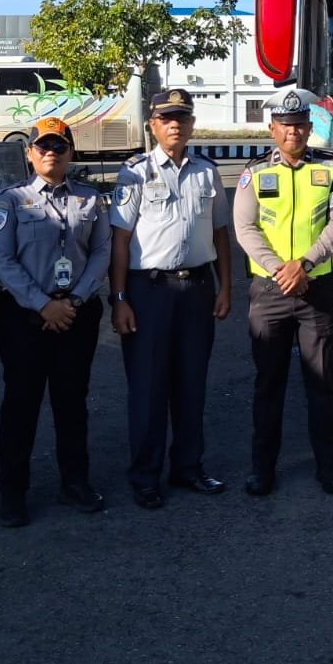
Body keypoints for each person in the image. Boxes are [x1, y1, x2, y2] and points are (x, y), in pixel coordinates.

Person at [109, 90, 234, 509]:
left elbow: (220, 233)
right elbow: (121, 241)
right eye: (166, 118)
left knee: (191, 384)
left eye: (181, 117)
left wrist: (226, 287)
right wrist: (120, 297)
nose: (174, 124)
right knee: (148, 387)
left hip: (197, 289)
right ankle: (145, 475)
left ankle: (188, 467)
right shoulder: (135, 173)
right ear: (153, 124)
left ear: (192, 124)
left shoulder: (207, 173)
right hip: (150, 292)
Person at [0, 116, 111, 528]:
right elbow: (1, 261)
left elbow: (100, 253)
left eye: (59, 146)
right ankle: (12, 493)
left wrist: (73, 300)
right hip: (26, 317)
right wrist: (43, 305)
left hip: (76, 313)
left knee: (72, 403)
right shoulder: (10, 201)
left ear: (71, 152)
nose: (51, 153)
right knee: (20, 405)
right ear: (29, 153)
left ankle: (74, 481)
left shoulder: (90, 200)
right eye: (43, 146)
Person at [233, 87, 333, 495]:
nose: (293, 133)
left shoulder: (331, 170)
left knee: (321, 382)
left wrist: (302, 265)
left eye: (300, 125)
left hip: (315, 288)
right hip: (269, 292)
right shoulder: (255, 173)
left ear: (309, 127)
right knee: (269, 383)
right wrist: (278, 269)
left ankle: (329, 468)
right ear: (272, 129)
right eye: (285, 126)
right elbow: (245, 228)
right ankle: (262, 469)